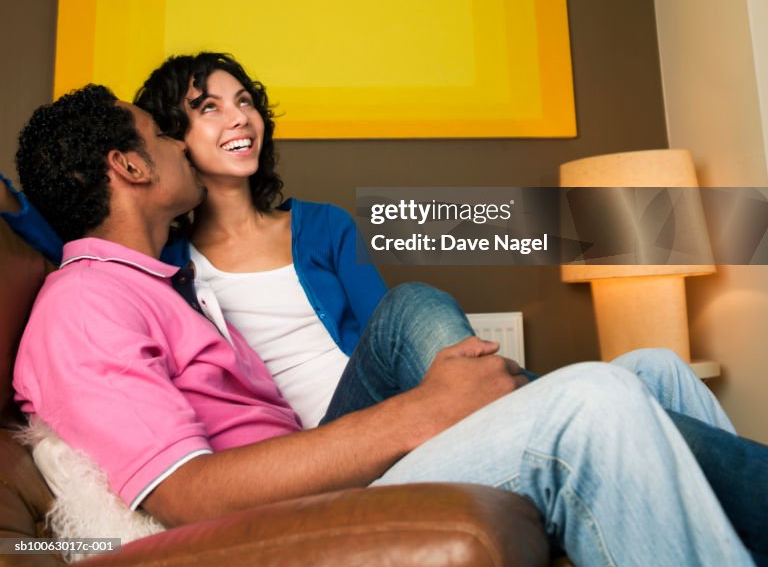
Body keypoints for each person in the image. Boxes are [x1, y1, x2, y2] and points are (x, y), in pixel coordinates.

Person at [9, 84, 763, 566]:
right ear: (131, 168)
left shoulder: (159, 286)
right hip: (285, 517)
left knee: (655, 370)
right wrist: (424, 412)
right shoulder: (86, 305)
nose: (180, 143)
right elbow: (186, 497)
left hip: (316, 469)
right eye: (164, 134)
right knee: (593, 402)